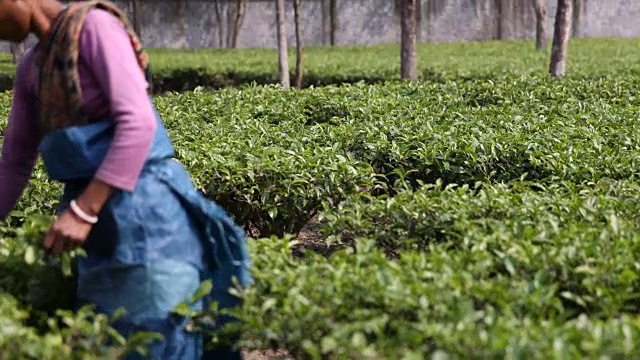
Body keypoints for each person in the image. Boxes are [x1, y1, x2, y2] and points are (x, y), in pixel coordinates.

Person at [0, 0, 252, 358]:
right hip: (95, 231)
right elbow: (14, 162)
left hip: (147, 216)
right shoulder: (33, 67)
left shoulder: (95, 28)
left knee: (159, 334)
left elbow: (138, 124)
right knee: (111, 342)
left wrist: (84, 211)